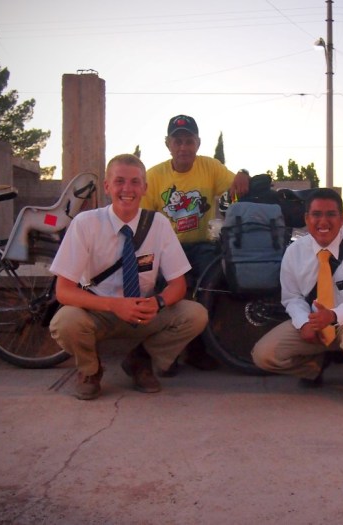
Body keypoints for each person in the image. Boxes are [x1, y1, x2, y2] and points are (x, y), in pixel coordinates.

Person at [49, 154, 208, 400]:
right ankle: (90, 371)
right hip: (98, 311)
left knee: (195, 315)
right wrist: (114, 305)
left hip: (143, 310)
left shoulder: (158, 224)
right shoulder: (85, 223)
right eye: (119, 181)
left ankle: (140, 360)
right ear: (107, 186)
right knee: (64, 322)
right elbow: (64, 291)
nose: (127, 189)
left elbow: (178, 285)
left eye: (135, 182)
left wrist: (157, 302)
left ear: (144, 188)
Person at [252, 188, 343, 409]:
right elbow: (292, 297)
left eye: (331, 214)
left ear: (342, 218)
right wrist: (304, 322)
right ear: (306, 219)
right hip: (314, 321)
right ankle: (313, 368)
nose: (323, 221)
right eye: (316, 214)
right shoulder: (294, 251)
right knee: (264, 355)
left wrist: (332, 316)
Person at [140, 114, 249, 370]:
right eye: (177, 141)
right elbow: (143, 222)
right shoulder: (153, 176)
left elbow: (236, 187)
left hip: (202, 246)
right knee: (166, 290)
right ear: (167, 144)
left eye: (189, 141)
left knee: (212, 289)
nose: (183, 147)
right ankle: (167, 352)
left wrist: (243, 174)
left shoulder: (210, 166)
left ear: (198, 143)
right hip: (167, 248)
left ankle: (199, 350)